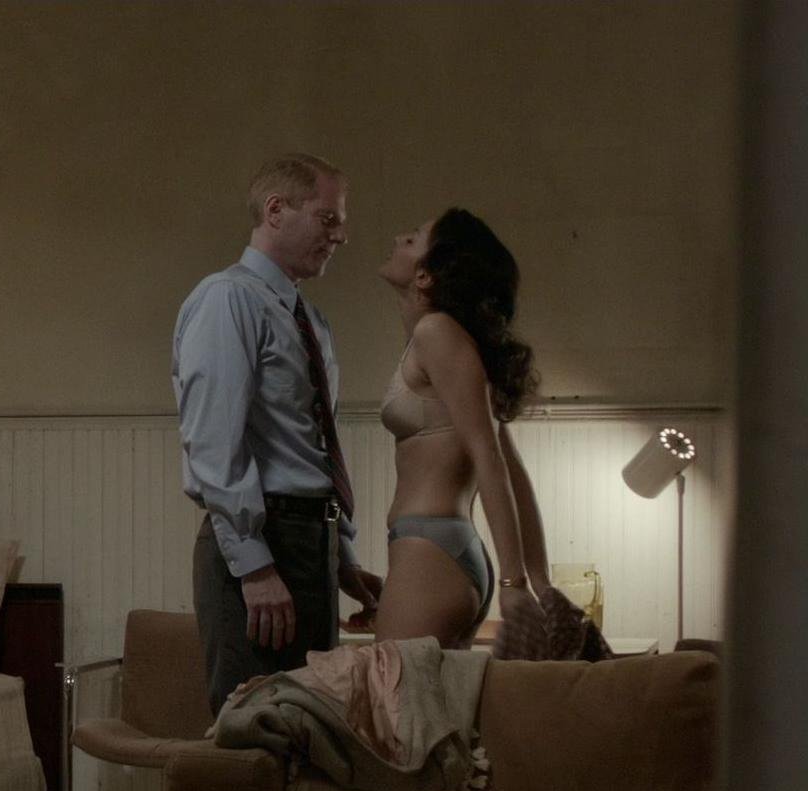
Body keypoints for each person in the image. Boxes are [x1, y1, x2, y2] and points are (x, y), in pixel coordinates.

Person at [173, 153, 384, 716]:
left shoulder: (309, 319)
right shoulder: (229, 299)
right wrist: (255, 566)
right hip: (264, 541)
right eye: (327, 218)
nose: (340, 236)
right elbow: (214, 440)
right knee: (256, 729)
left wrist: (341, 558)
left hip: (311, 541)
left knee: (313, 725)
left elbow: (310, 445)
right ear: (275, 210)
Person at [371, 208, 545, 648]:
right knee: (422, 693)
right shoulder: (436, 339)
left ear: (426, 275)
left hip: (430, 552)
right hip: (437, 551)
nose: (398, 237)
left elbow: (489, 457)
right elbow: (509, 461)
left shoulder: (437, 333)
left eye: (414, 238)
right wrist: (536, 578)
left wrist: (516, 582)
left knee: (388, 689)